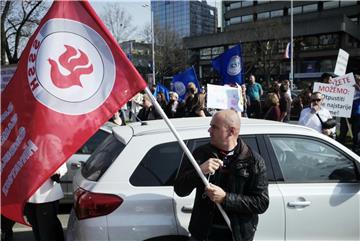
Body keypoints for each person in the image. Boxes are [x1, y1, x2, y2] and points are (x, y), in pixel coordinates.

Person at [174, 109, 269, 241]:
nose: (209, 130)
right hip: (202, 234)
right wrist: (199, 171)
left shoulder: (253, 161)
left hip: (235, 235)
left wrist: (225, 198)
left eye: (214, 127)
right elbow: (180, 189)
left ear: (231, 131)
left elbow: (261, 203)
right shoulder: (200, 154)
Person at [24, 163, 67, 241]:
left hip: (46, 196)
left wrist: (57, 172)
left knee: (47, 232)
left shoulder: (52, 150)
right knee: (36, 228)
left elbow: (62, 163)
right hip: (28, 195)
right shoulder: (22, 150)